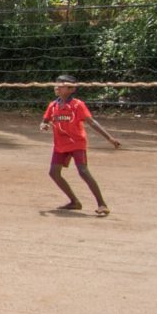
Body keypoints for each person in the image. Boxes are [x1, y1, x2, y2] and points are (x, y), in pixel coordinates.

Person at [40, 74, 121, 216]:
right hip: (60, 144)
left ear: (71, 89)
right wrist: (43, 126)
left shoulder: (77, 105)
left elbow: (91, 122)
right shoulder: (53, 105)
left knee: (83, 171)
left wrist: (109, 138)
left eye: (61, 85)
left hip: (77, 142)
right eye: (56, 84)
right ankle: (74, 202)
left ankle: (102, 204)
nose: (57, 87)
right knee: (54, 173)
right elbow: (45, 121)